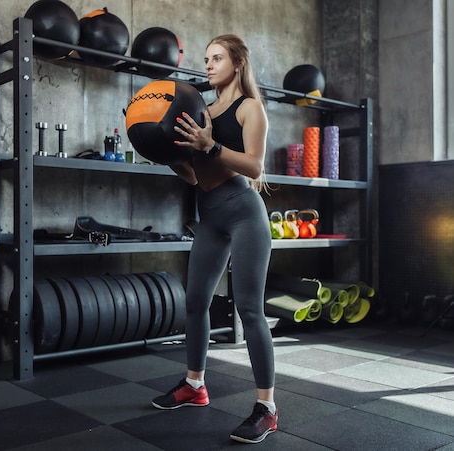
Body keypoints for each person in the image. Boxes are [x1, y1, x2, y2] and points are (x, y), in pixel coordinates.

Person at [151, 34, 277, 444]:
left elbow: (255, 166)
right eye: (205, 58)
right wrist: (163, 150)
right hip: (210, 216)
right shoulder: (202, 109)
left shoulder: (249, 108)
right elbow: (194, 174)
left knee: (248, 310)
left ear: (237, 63)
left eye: (217, 58)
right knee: (195, 302)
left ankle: (266, 408)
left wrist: (209, 144)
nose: (208, 64)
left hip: (244, 214)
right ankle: (194, 385)